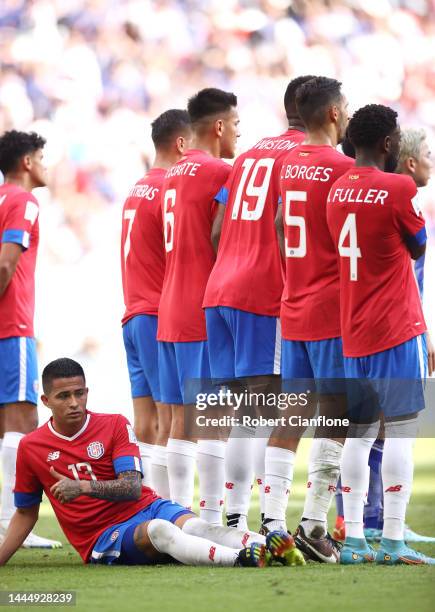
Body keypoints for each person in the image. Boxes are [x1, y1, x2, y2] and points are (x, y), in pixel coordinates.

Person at [0, 358, 304, 568]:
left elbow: (132, 488)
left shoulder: (114, 424)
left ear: (87, 392)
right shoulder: (32, 447)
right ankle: (239, 559)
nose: (74, 402)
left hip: (146, 505)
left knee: (199, 526)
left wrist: (83, 487)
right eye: (63, 396)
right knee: (160, 531)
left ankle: (270, 545)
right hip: (101, 536)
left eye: (79, 393)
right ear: (45, 401)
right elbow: (26, 512)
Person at [203, 75, 314, 531]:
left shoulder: (248, 156)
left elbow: (215, 231)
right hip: (263, 293)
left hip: (221, 289)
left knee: (243, 410)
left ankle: (233, 519)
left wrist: (234, 263)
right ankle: (265, 522)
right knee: (265, 409)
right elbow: (290, 228)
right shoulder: (303, 158)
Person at [327, 104, 435, 565]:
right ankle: (392, 540)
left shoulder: (335, 190)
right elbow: (419, 244)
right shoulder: (399, 187)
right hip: (395, 326)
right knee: (401, 435)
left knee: (358, 434)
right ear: (389, 144)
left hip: (353, 328)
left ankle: (353, 541)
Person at [261, 77, 353, 563]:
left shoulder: (289, 162)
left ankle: (271, 521)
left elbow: (279, 225)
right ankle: (315, 524)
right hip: (330, 306)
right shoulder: (342, 167)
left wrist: (294, 272)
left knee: (290, 416)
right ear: (335, 113)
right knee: (337, 415)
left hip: (293, 304)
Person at [157, 88, 239, 521]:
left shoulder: (173, 172)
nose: (238, 136)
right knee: (211, 417)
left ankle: (176, 514)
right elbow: (218, 237)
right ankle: (208, 519)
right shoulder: (219, 172)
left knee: (178, 421)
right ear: (220, 126)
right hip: (199, 307)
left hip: (169, 307)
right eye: (237, 126)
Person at [121, 110, 192, 494]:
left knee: (146, 426)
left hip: (132, 314)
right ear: (182, 143)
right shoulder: (171, 187)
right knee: (171, 422)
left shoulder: (137, 188)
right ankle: (167, 513)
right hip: (157, 314)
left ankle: (146, 507)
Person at [0, 130, 61, 549]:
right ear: (26, 161)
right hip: (11, 327)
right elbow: (6, 265)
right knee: (23, 423)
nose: (45, 164)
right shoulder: (24, 201)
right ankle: (10, 522)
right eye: (42, 156)